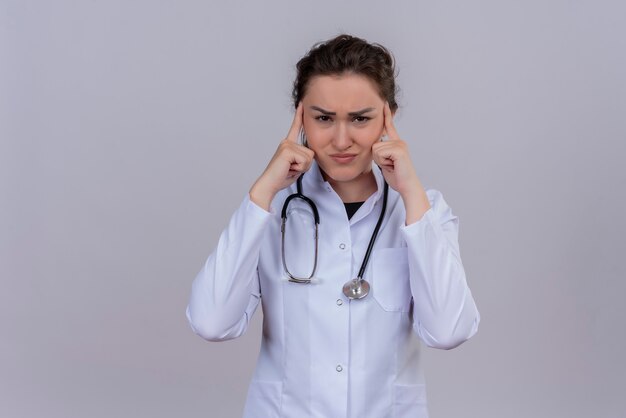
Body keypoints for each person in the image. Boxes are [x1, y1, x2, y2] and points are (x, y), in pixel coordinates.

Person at [186, 34, 480, 418]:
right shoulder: (271, 209)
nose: (342, 140)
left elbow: (449, 330)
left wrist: (411, 192)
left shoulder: (423, 210)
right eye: (324, 118)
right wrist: (260, 193)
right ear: (300, 115)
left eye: (361, 118)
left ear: (388, 117)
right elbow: (211, 321)